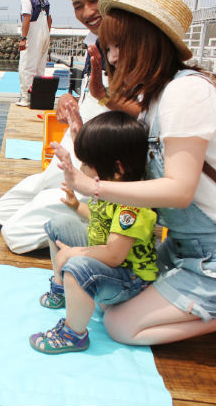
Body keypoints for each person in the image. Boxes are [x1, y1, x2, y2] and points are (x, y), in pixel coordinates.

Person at [54, 0, 216, 346]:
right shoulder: (160, 97)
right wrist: (93, 106)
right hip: (185, 249)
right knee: (110, 302)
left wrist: (89, 186)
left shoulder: (186, 93)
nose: (111, 58)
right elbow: (132, 136)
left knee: (120, 325)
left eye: (117, 46)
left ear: (147, 41)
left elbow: (180, 190)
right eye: (108, 48)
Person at [0, 0, 124, 254]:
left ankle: (89, 230)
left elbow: (125, 128)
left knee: (15, 236)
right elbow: (94, 96)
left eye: (94, 0)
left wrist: (84, 129)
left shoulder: (129, 49)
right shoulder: (97, 40)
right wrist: (68, 99)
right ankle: (51, 211)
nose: (87, 11)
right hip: (71, 154)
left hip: (92, 170)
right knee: (1, 212)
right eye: (78, 4)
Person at [30, 111, 157, 354]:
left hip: (129, 278)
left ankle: (73, 333)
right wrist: (77, 207)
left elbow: (114, 256)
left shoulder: (131, 205)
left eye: (88, 164)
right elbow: (98, 219)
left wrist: (75, 253)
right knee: (57, 224)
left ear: (117, 169)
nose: (83, 170)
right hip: (108, 258)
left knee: (78, 266)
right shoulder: (111, 189)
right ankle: (64, 289)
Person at [15, 0, 52, 107]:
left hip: (33, 35)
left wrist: (23, 38)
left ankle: (25, 98)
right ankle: (38, 98)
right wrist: (46, 34)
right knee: (40, 69)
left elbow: (27, 18)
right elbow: (49, 19)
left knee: (26, 66)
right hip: (45, 34)